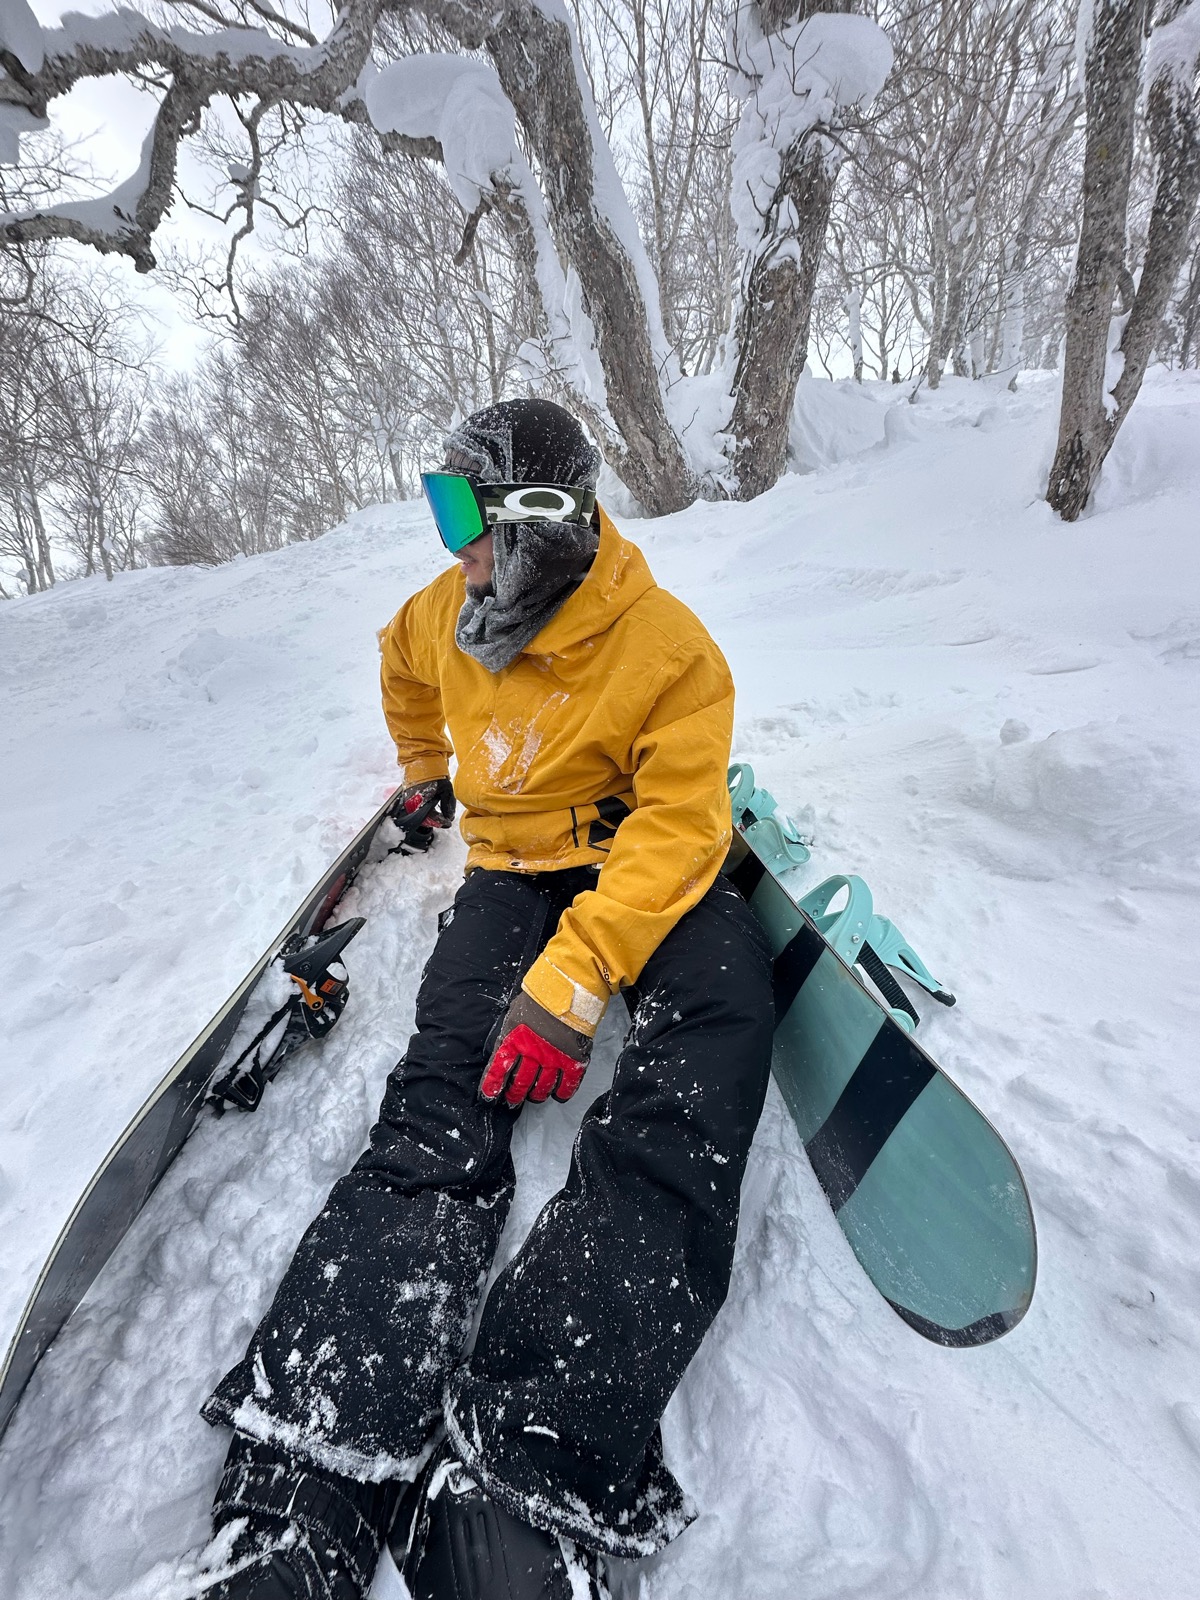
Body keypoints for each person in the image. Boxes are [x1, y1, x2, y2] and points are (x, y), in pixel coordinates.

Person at [193, 398, 774, 1600]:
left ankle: (527, 1464)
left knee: (705, 1059)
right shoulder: (444, 618)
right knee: (441, 1094)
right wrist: (425, 777)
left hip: (639, 856)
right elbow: (400, 662)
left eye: (467, 512)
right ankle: (311, 1472)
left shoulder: (667, 646)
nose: (449, 540)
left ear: (540, 525)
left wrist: (576, 977)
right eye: (440, 506)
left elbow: (682, 822)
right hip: (511, 866)